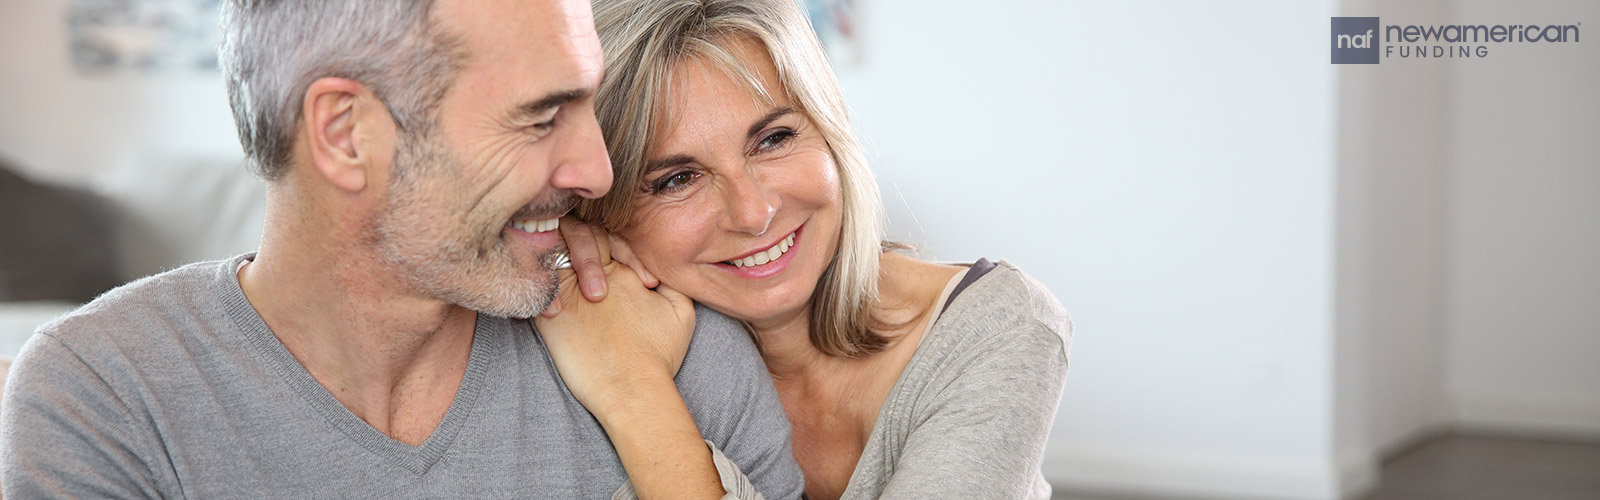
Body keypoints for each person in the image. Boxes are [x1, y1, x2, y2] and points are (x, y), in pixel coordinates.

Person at [0, 1, 803, 498]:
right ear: (346, 135)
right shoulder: (105, 395)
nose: (596, 172)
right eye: (537, 117)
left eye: (585, 103)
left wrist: (637, 393)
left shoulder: (671, 351)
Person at [543, 0, 1073, 499]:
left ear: (830, 127)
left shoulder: (1000, 326)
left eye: (773, 139)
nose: (754, 213)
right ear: (597, 211)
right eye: (678, 179)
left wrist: (635, 396)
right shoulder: (580, 333)